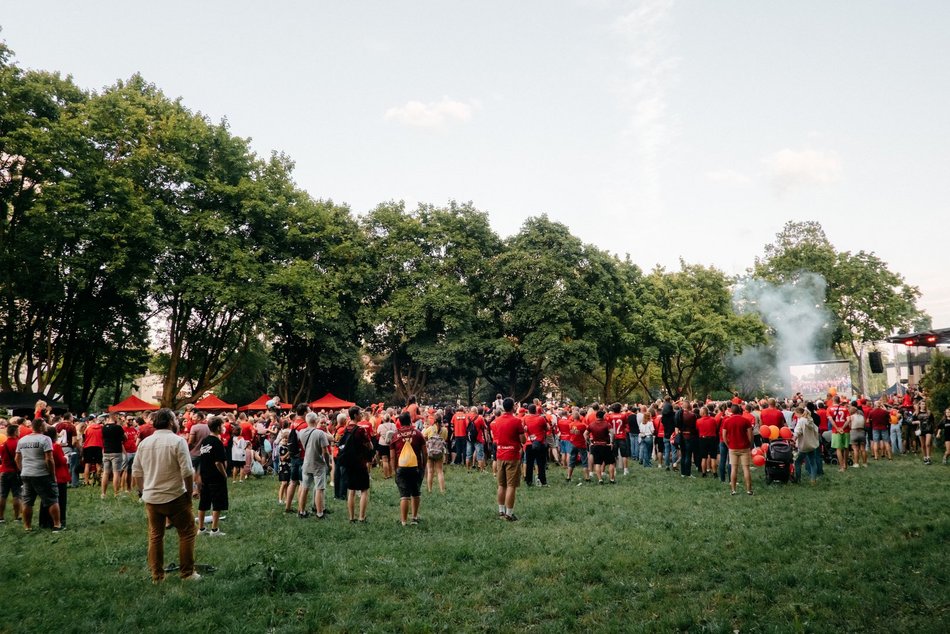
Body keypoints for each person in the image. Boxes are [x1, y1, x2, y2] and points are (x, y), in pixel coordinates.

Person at [131, 408, 200, 583]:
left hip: (151, 497)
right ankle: (187, 573)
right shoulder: (177, 441)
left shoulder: (144, 443)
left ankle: (157, 576)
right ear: (170, 422)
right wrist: (189, 492)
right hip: (175, 495)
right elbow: (186, 471)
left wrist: (142, 491)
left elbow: (136, 472)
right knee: (187, 532)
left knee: (155, 536)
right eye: (175, 420)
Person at [16, 418, 64, 531]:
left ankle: (27, 527)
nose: (47, 427)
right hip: (42, 473)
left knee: (27, 501)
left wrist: (22, 469)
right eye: (45, 425)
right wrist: (52, 473)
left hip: (26, 473)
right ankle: (57, 525)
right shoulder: (45, 439)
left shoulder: (22, 440)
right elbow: (49, 459)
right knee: (52, 499)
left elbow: (17, 458)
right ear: (41, 427)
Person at [492, 398, 526, 521]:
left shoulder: (496, 421)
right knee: (511, 485)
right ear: (513, 407)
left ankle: (501, 511)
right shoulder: (516, 421)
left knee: (501, 485)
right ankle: (509, 514)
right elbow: (523, 440)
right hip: (512, 455)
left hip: (500, 455)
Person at [390, 411, 426, 526]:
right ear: (410, 420)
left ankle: (404, 521)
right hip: (416, 466)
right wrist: (423, 466)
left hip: (401, 467)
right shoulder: (417, 433)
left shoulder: (395, 435)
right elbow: (424, 452)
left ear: (399, 422)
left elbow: (392, 455)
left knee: (404, 495)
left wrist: (394, 469)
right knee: (415, 492)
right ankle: (414, 518)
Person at [339, 406, 373, 523]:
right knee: (364, 490)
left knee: (351, 490)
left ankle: (351, 517)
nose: (361, 415)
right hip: (360, 462)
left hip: (349, 462)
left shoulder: (346, 429)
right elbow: (370, 445)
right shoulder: (360, 430)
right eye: (360, 413)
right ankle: (362, 517)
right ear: (355, 415)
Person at [197, 417, 228, 536]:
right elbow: (218, 462)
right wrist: (224, 474)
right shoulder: (217, 442)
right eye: (222, 425)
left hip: (205, 476)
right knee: (217, 502)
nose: (223, 427)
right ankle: (214, 529)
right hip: (216, 476)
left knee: (203, 502)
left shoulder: (205, 441)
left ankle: (201, 528)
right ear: (218, 427)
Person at [297, 412, 331, 519]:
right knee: (319, 488)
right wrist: (328, 463)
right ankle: (320, 513)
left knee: (305, 488)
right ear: (316, 421)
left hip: (306, 463)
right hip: (318, 464)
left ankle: (301, 511)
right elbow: (325, 451)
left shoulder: (301, 432)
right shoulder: (320, 433)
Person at [721, 404, 753, 496]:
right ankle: (749, 490)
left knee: (734, 468)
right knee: (746, 468)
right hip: (744, 447)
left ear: (731, 411)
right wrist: (749, 445)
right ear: (740, 411)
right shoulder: (745, 421)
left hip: (733, 447)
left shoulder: (727, 421)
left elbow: (724, 436)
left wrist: (728, 445)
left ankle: (733, 490)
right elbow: (750, 436)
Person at [792, 406, 821, 485]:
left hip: (804, 445)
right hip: (811, 445)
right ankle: (813, 479)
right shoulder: (810, 420)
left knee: (798, 462)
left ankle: (798, 479)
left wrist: (793, 440)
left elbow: (797, 432)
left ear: (798, 413)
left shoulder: (801, 421)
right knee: (812, 462)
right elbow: (816, 430)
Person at [523, 404, 549, 487]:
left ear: (528, 410)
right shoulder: (541, 418)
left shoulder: (525, 418)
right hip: (539, 443)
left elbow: (524, 428)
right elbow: (546, 428)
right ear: (536, 410)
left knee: (529, 464)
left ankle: (529, 481)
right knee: (541, 463)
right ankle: (543, 481)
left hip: (529, 443)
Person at [101, 414, 127, 498]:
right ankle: (116, 493)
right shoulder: (118, 428)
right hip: (116, 452)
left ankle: (103, 493)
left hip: (106, 451)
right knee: (116, 473)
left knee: (105, 472)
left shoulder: (104, 428)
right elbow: (124, 438)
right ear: (115, 417)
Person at [0, 423, 22, 523]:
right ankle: (17, 516)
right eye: (18, 431)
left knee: (3, 495)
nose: (20, 432)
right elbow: (19, 458)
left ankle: (1, 517)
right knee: (16, 495)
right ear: (15, 432)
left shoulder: (3, 444)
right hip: (14, 472)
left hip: (4, 471)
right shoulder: (18, 443)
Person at [587, 409, 616, 484]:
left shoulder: (591, 424)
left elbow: (585, 434)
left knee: (597, 463)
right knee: (611, 462)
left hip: (596, 445)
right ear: (603, 416)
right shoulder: (607, 424)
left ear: (596, 416)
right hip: (605, 445)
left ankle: (600, 479)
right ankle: (612, 479)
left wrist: (589, 441)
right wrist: (612, 442)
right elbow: (613, 433)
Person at [423, 414, 448, 493]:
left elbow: (424, 436)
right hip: (439, 453)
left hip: (430, 452)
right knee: (440, 471)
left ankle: (430, 490)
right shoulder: (444, 430)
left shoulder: (430, 428)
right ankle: (442, 490)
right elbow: (445, 439)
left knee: (430, 471)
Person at [565, 410, 590, 484]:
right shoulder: (583, 425)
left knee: (572, 460)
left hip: (573, 443)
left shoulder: (570, 425)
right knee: (584, 461)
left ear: (573, 417)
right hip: (581, 444)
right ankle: (587, 478)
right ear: (579, 417)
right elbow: (587, 433)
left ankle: (568, 477)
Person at [827, 396, 851, 472]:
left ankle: (841, 467)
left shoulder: (829, 409)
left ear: (833, 400)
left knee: (838, 449)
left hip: (836, 431)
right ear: (839, 401)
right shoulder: (845, 409)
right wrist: (843, 428)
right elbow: (848, 420)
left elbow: (831, 420)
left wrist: (837, 428)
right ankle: (845, 465)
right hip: (846, 430)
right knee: (846, 447)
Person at [82, 414, 104, 485]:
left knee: (87, 464)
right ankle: (98, 480)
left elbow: (84, 437)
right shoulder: (101, 427)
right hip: (98, 446)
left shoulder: (87, 428)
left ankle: (86, 481)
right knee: (98, 464)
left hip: (88, 446)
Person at [375, 412, 396, 479]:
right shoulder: (393, 425)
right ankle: (390, 474)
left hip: (382, 444)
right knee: (390, 459)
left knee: (384, 460)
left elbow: (377, 434)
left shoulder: (380, 426)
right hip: (391, 444)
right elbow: (395, 433)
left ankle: (386, 475)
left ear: (383, 419)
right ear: (390, 418)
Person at [915, 400, 935, 465]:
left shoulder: (929, 412)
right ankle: (925, 457)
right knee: (923, 445)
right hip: (920, 430)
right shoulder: (916, 413)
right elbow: (910, 421)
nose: (923, 405)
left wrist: (933, 429)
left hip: (928, 430)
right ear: (919, 405)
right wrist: (917, 422)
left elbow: (933, 421)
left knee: (927, 444)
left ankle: (929, 457)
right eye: (922, 404)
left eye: (924, 404)